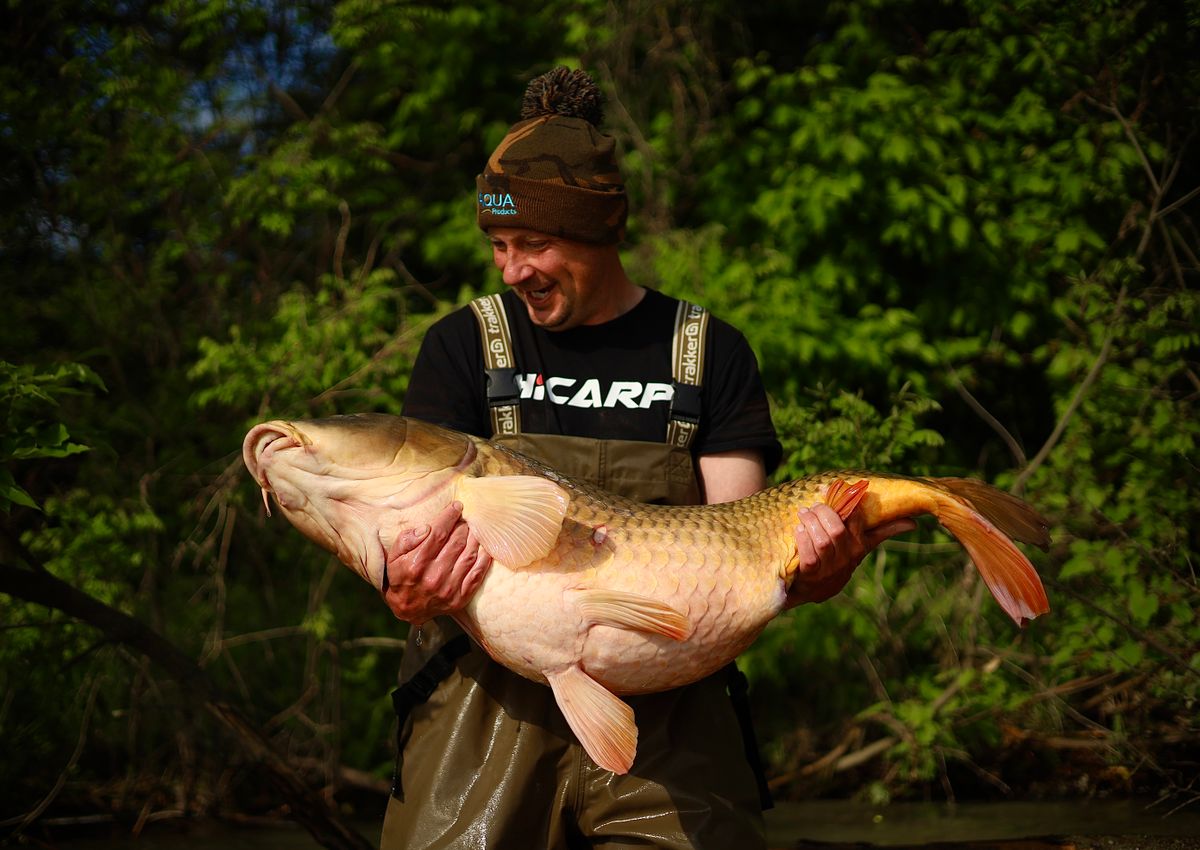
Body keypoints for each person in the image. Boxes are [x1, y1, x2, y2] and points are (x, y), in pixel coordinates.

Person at [378, 68, 913, 850]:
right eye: (498, 244)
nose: (512, 269)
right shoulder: (461, 347)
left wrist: (808, 579)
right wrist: (404, 586)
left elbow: (740, 553)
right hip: (482, 709)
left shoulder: (709, 353)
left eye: (536, 243)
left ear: (604, 232)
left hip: (674, 711)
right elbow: (410, 542)